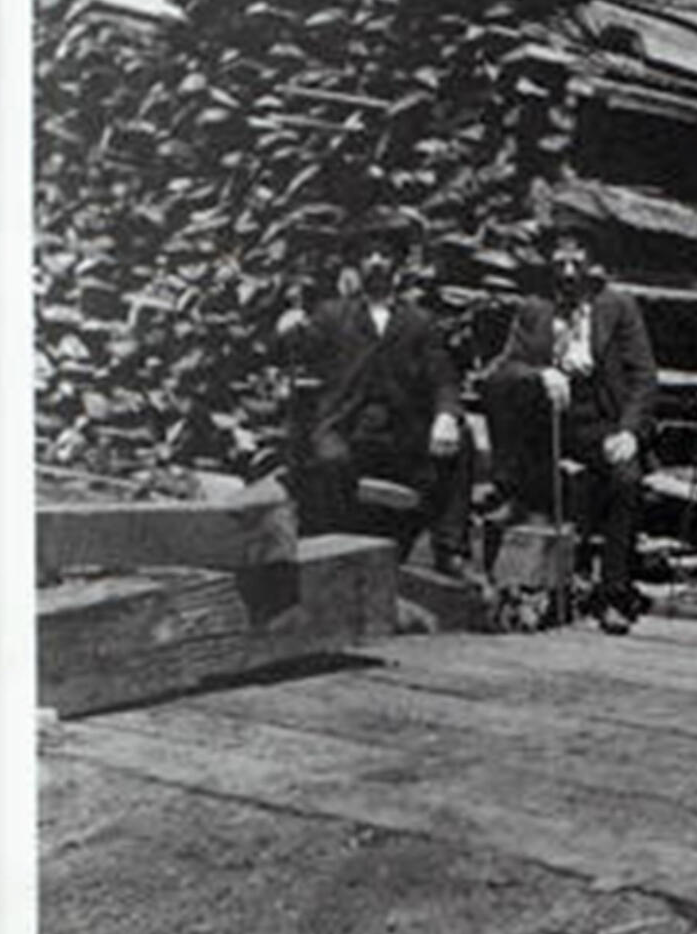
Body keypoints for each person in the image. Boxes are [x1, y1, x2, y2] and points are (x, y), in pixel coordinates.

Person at [275, 206, 476, 580]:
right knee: (329, 459)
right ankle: (334, 553)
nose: (377, 263)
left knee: (460, 443)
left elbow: (444, 377)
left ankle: (450, 550)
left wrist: (446, 415)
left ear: (398, 263)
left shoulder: (419, 321)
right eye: (368, 256)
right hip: (348, 429)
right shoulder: (332, 315)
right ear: (356, 264)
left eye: (385, 255)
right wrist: (289, 331)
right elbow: (302, 350)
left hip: (402, 436)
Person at [482, 227, 658, 635]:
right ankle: (513, 493)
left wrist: (630, 432)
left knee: (626, 479)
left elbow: (645, 377)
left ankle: (614, 593)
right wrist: (541, 373)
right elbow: (503, 368)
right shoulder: (534, 308)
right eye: (559, 263)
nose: (567, 272)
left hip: (602, 422)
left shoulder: (618, 306)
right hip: (549, 425)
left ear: (592, 263)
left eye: (576, 262)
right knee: (499, 388)